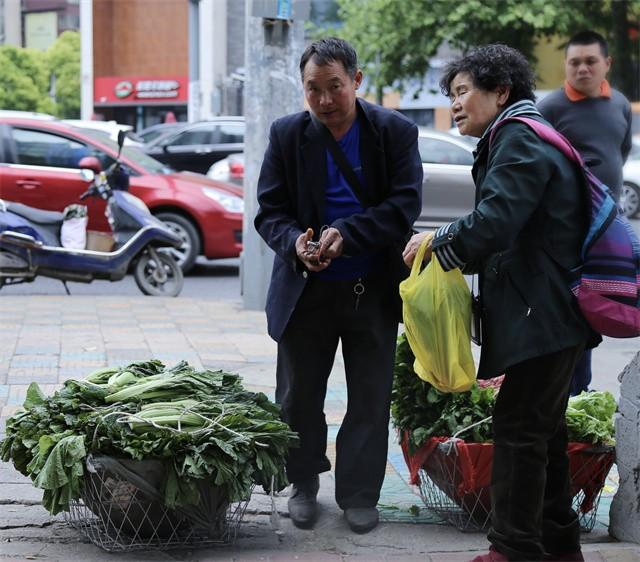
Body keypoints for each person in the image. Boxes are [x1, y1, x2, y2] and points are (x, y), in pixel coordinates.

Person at [403, 44, 593, 561]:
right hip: (551, 311)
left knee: (518, 429)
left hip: (546, 312)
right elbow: (512, 232)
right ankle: (558, 545)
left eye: (463, 91)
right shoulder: (518, 135)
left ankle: (512, 549)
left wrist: (437, 241)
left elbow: (497, 221)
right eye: (451, 94)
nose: (455, 104)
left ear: (501, 91)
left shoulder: (518, 138)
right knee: (542, 433)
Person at [254, 37, 422, 533]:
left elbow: (402, 207)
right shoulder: (287, 135)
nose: (325, 100)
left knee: (369, 396)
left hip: (369, 287)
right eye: (313, 89)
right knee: (299, 396)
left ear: (356, 81)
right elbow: (271, 212)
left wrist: (346, 235)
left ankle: (359, 494)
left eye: (335, 87)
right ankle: (303, 483)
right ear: (302, 88)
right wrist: (296, 246)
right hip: (305, 291)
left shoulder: (393, 131)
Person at [538, 29, 632, 396]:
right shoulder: (550, 108)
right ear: (566, 65)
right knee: (570, 310)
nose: (582, 69)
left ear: (606, 63)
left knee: (598, 307)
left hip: (608, 230)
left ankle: (580, 391)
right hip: (567, 232)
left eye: (590, 61)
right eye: (574, 62)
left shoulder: (620, 104)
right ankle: (568, 392)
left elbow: (617, 155)